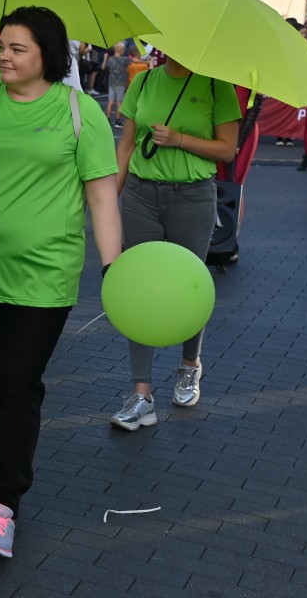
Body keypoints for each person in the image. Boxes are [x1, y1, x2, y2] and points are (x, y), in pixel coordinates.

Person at [0, 6, 122, 558]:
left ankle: (4, 504)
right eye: (1, 46)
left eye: (18, 49)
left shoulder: (79, 112)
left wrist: (113, 268)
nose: (3, 57)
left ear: (47, 56)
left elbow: (102, 196)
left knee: (15, 381)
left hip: (44, 273)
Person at [110, 52, 241, 431]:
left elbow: (227, 149)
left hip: (193, 197)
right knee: (138, 288)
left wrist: (179, 139)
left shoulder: (217, 86)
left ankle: (189, 365)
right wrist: (108, 202)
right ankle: (142, 394)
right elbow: (126, 146)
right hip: (141, 195)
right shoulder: (143, 82)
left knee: (190, 286)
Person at [103, 41, 131, 125]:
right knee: (119, 102)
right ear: (120, 50)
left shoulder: (110, 59)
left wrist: (105, 58)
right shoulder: (124, 59)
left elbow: (103, 67)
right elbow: (133, 62)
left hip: (111, 83)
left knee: (110, 101)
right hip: (121, 83)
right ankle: (118, 120)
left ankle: (108, 118)